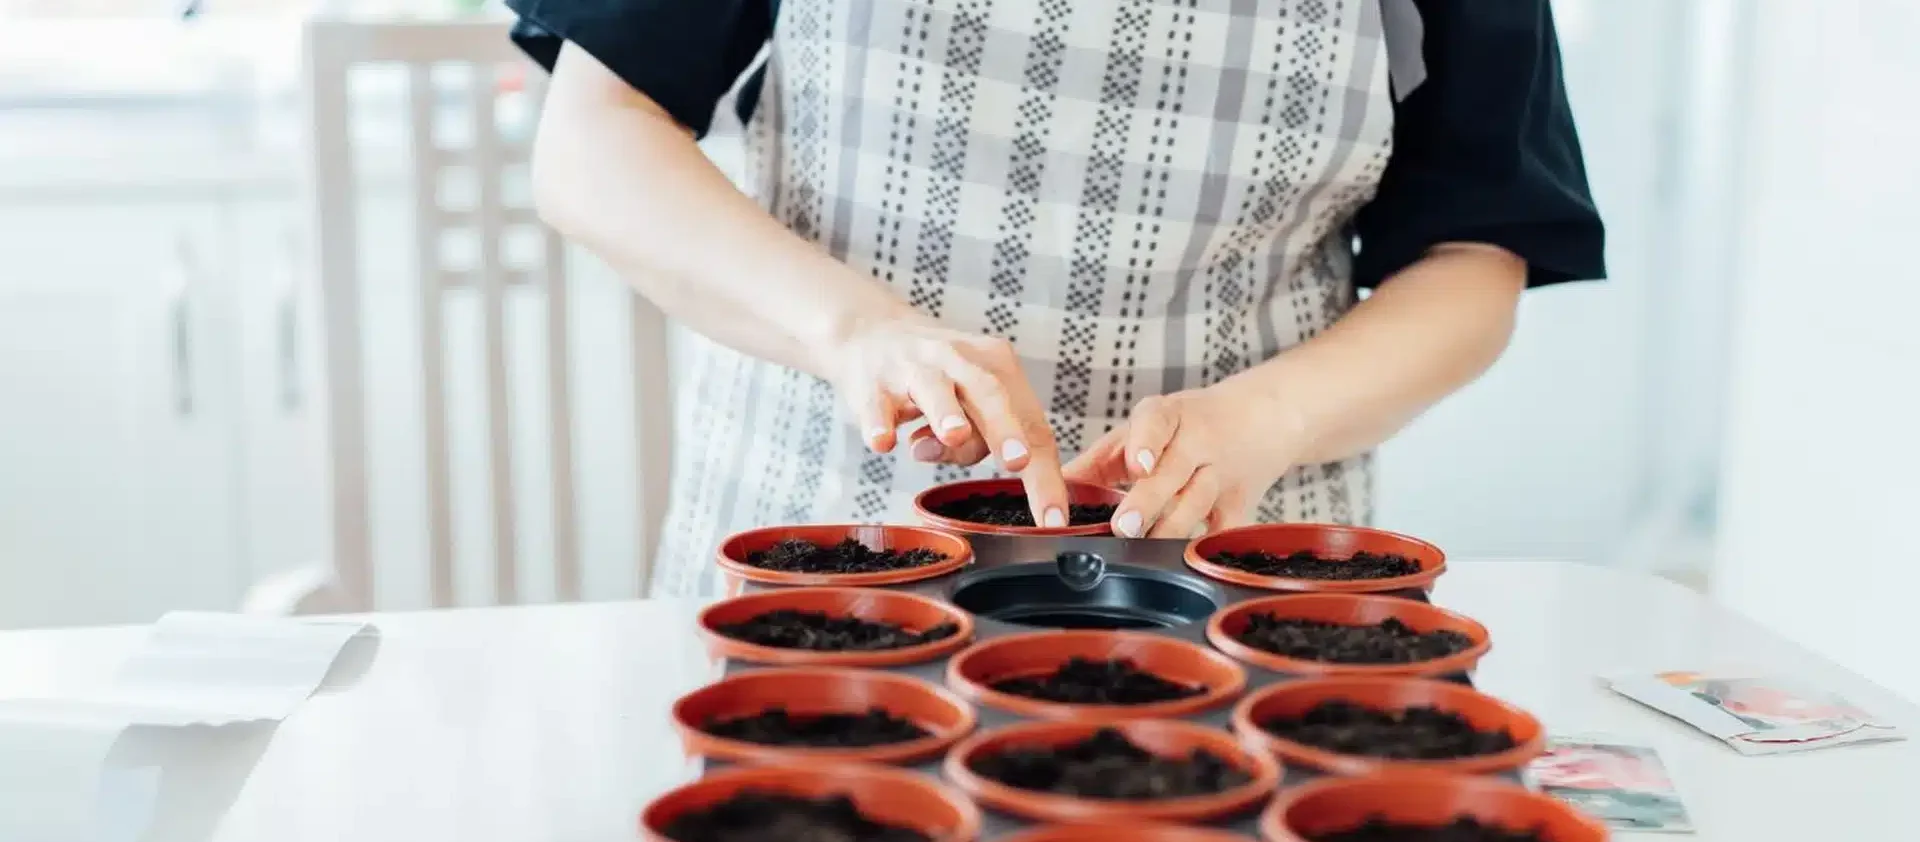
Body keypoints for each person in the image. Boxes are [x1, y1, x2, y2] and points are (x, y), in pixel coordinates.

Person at [508, 0, 1604, 598]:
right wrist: (856, 331)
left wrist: (1270, 415)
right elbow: (596, 142)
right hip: (827, 543)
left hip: (1237, 568)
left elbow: (1475, 256)